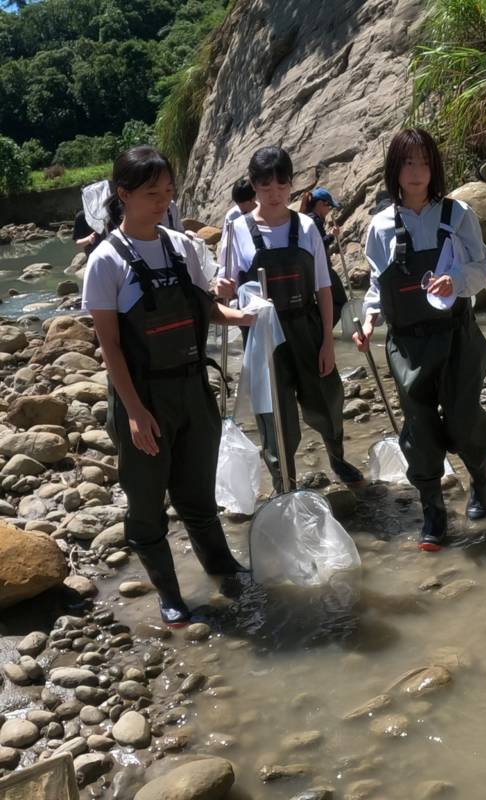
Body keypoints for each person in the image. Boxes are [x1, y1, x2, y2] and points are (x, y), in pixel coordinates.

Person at [82, 146, 257, 625]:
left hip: (194, 390)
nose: (163, 202)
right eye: (152, 194)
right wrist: (136, 413)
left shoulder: (182, 247)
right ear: (123, 195)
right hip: (144, 398)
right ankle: (170, 593)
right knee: (146, 505)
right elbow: (110, 347)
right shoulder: (106, 261)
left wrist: (240, 315)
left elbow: (206, 309)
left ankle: (224, 569)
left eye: (168, 192)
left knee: (197, 493)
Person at [355, 128, 486, 551]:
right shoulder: (380, 226)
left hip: (457, 336)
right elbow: (378, 285)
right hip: (407, 344)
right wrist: (369, 320)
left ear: (434, 167)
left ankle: (480, 476)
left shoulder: (458, 215)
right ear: (395, 169)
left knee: (463, 419)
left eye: (423, 162)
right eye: (407, 162)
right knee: (418, 429)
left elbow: (482, 268)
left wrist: (455, 279)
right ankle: (433, 509)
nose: (416, 171)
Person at [215, 146, 364, 490]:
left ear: (292, 185)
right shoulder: (236, 231)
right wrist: (221, 289)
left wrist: (327, 342)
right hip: (263, 335)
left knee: (327, 399)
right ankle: (284, 481)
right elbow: (227, 291)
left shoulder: (307, 226)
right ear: (253, 185)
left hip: (306, 327)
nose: (274, 194)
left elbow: (323, 288)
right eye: (265, 187)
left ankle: (338, 459)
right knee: (274, 413)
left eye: (282, 186)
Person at [299, 186, 349, 325]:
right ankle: (321, 329)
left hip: (312, 269)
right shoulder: (314, 221)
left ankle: (319, 327)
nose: (329, 210)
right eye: (329, 206)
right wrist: (332, 235)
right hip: (321, 269)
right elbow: (318, 245)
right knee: (340, 302)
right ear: (321, 204)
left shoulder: (307, 219)